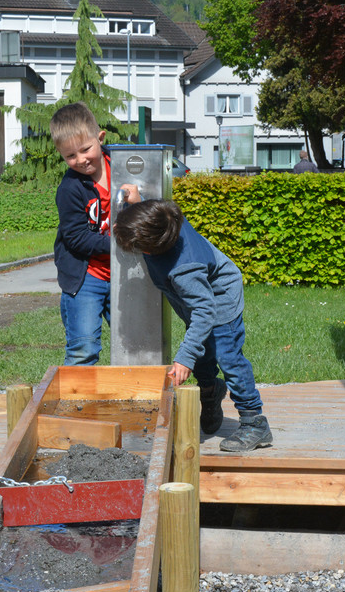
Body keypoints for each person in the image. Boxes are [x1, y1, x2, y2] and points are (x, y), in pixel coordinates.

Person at [113, 199, 273, 452]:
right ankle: (211, 392)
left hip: (219, 303)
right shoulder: (169, 219)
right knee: (202, 355)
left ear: (153, 248)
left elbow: (205, 311)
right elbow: (149, 214)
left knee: (228, 357)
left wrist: (184, 358)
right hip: (200, 302)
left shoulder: (183, 269)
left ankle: (255, 423)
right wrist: (134, 200)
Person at [49, 102, 139, 365]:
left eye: (85, 149)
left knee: (134, 345)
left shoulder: (124, 167)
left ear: (100, 139)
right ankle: (75, 403)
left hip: (124, 275)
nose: (80, 160)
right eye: (70, 156)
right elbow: (76, 238)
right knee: (83, 349)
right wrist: (119, 244)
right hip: (86, 278)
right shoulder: (70, 189)